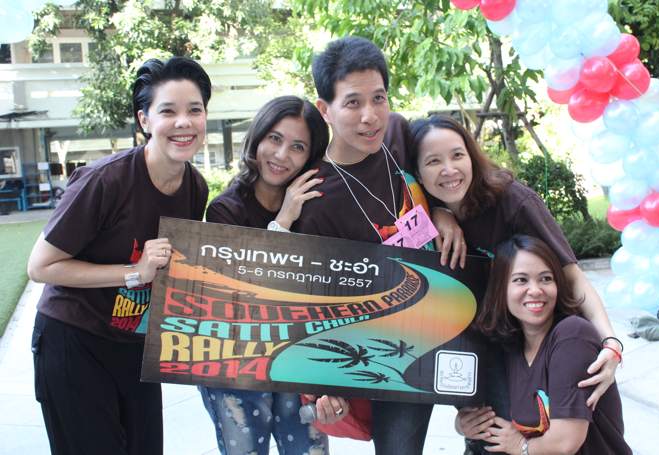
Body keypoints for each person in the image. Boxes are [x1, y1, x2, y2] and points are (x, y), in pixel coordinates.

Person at [26, 56, 210, 455]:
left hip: (134, 344)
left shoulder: (195, 187)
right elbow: (40, 266)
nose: (184, 122)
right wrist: (134, 272)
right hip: (74, 339)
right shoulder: (105, 181)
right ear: (145, 120)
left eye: (195, 110)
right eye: (168, 111)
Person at [409, 115, 623, 453]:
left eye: (457, 155)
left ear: (472, 157)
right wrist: (440, 213)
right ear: (418, 174)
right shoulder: (422, 213)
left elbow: (572, 277)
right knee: (486, 433)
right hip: (485, 342)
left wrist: (611, 343)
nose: (449, 169)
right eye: (433, 161)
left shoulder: (513, 201)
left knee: (540, 437)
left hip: (541, 340)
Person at [292, 36, 465, 455]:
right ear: (325, 109)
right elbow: (313, 303)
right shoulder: (317, 198)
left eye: (379, 98)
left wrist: (443, 211)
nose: (370, 116)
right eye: (353, 103)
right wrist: (321, 387)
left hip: (457, 320)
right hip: (393, 352)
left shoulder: (399, 135)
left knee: (493, 429)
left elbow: (443, 171)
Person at [198, 95, 345, 455]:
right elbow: (242, 293)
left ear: (310, 157)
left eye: (298, 147)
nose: (282, 155)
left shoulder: (318, 208)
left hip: (297, 360)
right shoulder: (225, 209)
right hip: (236, 363)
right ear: (258, 137)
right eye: (275, 139)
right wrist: (284, 219)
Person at [457, 235, 631, 454]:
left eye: (546, 279)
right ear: (501, 288)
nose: (535, 290)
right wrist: (463, 425)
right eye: (521, 280)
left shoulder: (573, 336)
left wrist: (521, 446)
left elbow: (565, 442)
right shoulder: (511, 346)